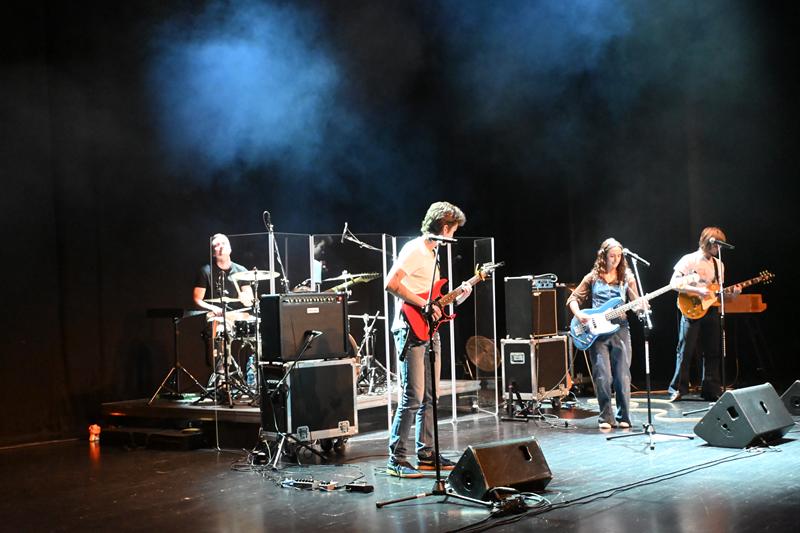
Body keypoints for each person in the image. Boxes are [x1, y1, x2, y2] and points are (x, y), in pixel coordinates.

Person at [385, 201, 472, 478]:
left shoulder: (433, 253)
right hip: (410, 329)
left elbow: (432, 297)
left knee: (431, 397)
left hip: (429, 329)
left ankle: (427, 454)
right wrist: (423, 304)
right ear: (445, 228)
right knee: (413, 396)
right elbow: (391, 284)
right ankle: (396, 458)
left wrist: (459, 295)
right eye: (453, 230)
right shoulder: (414, 249)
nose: (453, 236)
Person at [567, 238, 641, 430]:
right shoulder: (593, 277)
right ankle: (606, 417)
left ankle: (624, 416)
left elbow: (636, 302)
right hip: (597, 333)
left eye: (619, 256)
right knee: (603, 376)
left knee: (622, 376)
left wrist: (641, 307)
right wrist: (579, 314)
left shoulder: (627, 277)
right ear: (603, 256)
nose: (616, 260)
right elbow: (573, 299)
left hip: (620, 330)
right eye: (612, 256)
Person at [668, 227, 739, 402]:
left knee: (713, 350)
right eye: (716, 245)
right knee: (686, 350)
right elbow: (673, 283)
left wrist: (732, 294)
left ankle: (711, 389)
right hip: (691, 308)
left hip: (711, 309)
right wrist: (697, 291)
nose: (718, 249)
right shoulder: (689, 259)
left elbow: (717, 293)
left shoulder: (719, 264)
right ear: (707, 242)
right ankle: (677, 388)